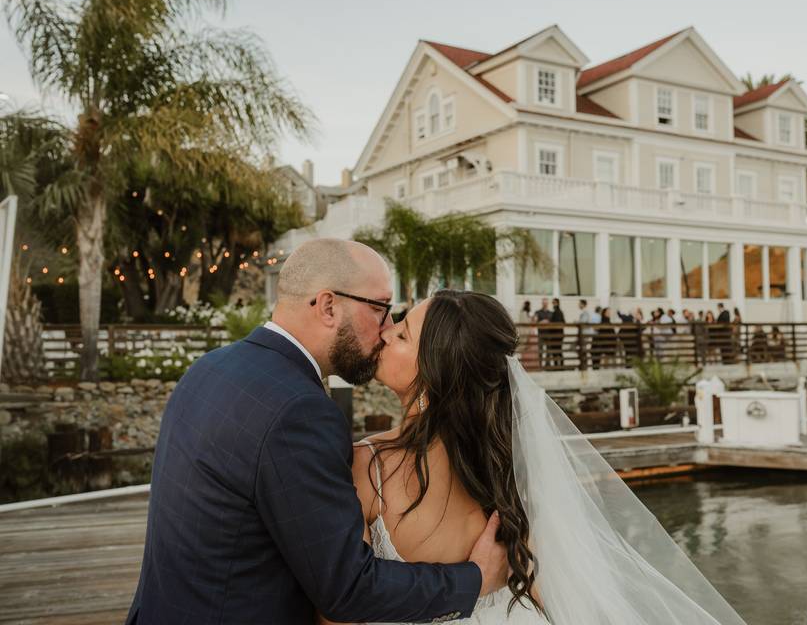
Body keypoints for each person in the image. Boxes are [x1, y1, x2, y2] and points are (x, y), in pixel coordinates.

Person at [125, 240, 507, 625]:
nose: (387, 328)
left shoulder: (207, 368)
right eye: (379, 308)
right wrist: (473, 581)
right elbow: (347, 588)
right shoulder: (300, 411)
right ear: (328, 306)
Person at [352, 290, 746, 624]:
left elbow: (340, 607)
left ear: (433, 372)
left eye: (402, 334)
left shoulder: (367, 468)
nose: (386, 334)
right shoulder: (509, 470)